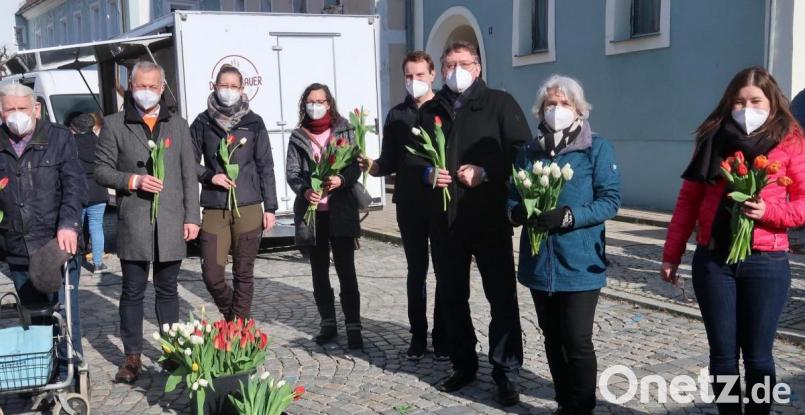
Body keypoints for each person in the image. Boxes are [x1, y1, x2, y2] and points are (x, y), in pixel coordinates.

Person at [661, 66, 804, 414]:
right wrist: (671, 254)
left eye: (755, 101)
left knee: (758, 356)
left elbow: (802, 202)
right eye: (739, 102)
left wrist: (769, 212)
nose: (746, 108)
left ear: (771, 102)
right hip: (714, 261)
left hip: (766, 262)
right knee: (723, 356)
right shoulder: (712, 138)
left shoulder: (789, 140)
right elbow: (688, 201)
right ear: (729, 103)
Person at [418, 41, 530, 405]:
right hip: (446, 221)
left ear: (477, 67)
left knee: (501, 297)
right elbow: (413, 159)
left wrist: (486, 172)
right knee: (452, 297)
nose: (456, 71)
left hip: (488, 218)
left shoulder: (500, 103)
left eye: (463, 64)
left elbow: (522, 154)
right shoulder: (431, 109)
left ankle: (506, 371)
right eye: (449, 65)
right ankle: (463, 364)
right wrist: (428, 174)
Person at [508, 75, 621, 414]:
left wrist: (569, 216)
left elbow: (610, 200)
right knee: (552, 338)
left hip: (579, 261)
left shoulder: (595, 148)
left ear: (578, 109)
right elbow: (512, 193)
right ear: (540, 110)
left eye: (564, 103)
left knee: (577, 340)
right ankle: (563, 403)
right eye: (550, 104)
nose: (556, 109)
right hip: (540, 262)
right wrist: (516, 211)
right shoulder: (529, 152)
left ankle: (582, 407)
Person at [95, 61, 201, 383]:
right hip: (135, 222)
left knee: (168, 290)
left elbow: (189, 174)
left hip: (170, 222)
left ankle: (171, 351)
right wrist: (133, 180)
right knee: (132, 292)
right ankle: (132, 356)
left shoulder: (178, 125)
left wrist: (192, 217)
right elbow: (101, 170)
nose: (146, 91)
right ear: (130, 87)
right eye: (141, 85)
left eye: (153, 86)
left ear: (162, 88)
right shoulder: (114, 124)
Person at [358, 51, 446, 360]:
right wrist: (372, 166)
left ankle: (443, 335)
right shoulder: (396, 115)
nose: (414, 80)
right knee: (416, 270)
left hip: (441, 202)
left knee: (444, 271)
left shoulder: (445, 109)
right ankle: (418, 335)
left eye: (420, 75)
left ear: (432, 74)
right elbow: (390, 161)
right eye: (409, 76)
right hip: (409, 203)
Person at [0, 82, 87, 381]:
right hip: (16, 245)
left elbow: (74, 185)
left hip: (55, 245)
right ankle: (41, 374)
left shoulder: (59, 138)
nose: (16, 114)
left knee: (64, 314)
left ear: (35, 109)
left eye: (22, 108)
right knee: (34, 316)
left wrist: (69, 224)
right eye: (9, 109)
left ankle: (69, 372)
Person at [191, 64, 278, 321]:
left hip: (248, 206)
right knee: (212, 275)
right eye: (223, 85)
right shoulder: (202, 122)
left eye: (233, 86)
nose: (228, 90)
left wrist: (270, 207)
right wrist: (210, 176)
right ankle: (236, 318)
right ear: (214, 87)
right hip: (215, 207)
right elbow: (188, 162)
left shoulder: (254, 122)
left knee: (243, 272)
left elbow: (265, 165)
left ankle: (239, 329)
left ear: (242, 89)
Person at [286, 83, 363, 349]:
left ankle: (353, 324)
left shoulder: (345, 129)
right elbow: (292, 172)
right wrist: (305, 190)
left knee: (346, 270)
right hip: (313, 215)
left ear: (329, 103)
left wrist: (341, 179)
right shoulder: (298, 136)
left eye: (320, 101)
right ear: (304, 104)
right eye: (311, 101)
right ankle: (327, 322)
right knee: (319, 271)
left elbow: (355, 166)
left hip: (340, 212)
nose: (315, 106)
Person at [69, 112, 110, 274]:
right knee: (97, 226)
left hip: (77, 192)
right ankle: (98, 263)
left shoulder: (70, 144)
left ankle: (74, 261)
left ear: (75, 129)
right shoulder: (100, 142)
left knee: (75, 227)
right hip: (99, 190)